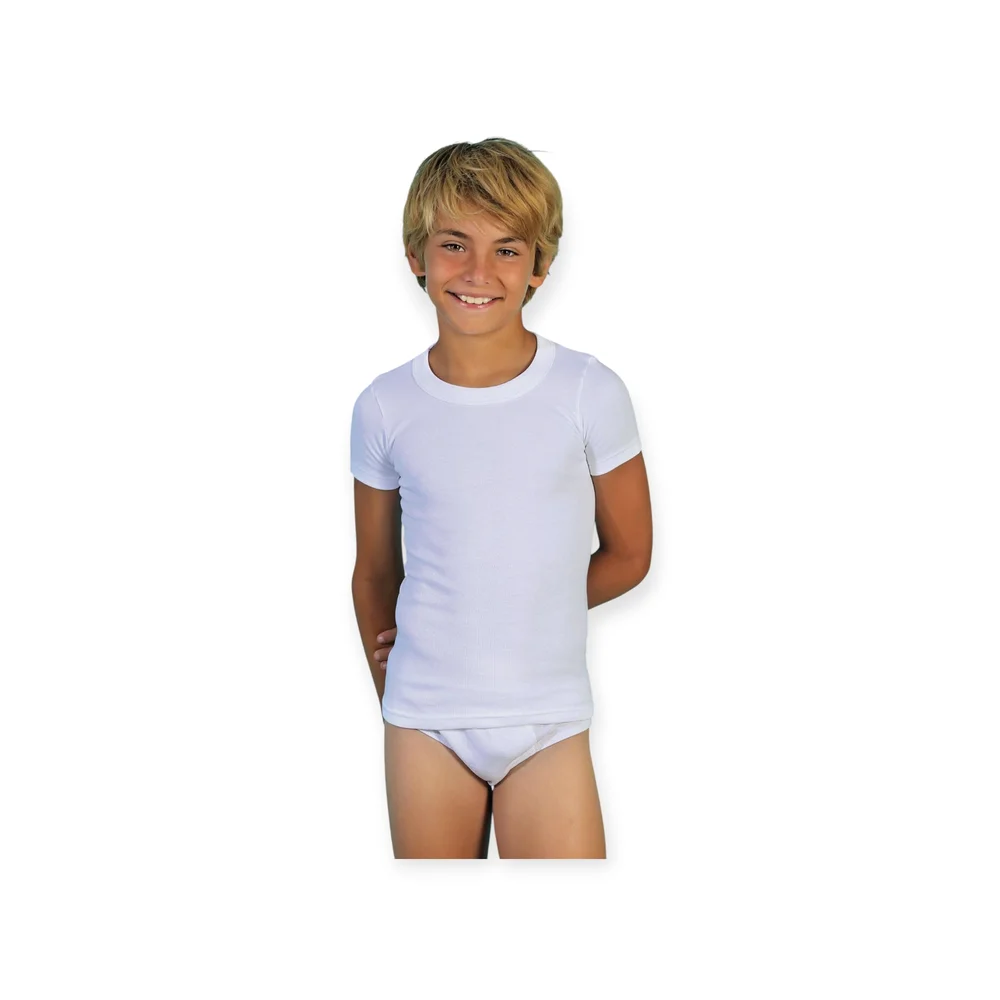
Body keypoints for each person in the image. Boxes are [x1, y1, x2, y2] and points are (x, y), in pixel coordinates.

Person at [350, 138, 653, 859]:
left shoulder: (588, 391)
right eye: (454, 244)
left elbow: (630, 554)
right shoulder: (384, 406)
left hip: (547, 716)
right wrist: (395, 688)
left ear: (539, 267)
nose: (478, 272)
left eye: (507, 250)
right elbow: (375, 572)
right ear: (416, 255)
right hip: (425, 720)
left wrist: (521, 606)